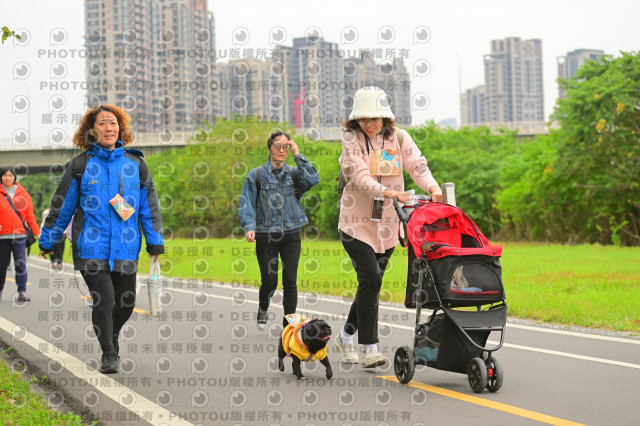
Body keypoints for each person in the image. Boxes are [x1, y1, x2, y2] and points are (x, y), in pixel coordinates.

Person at [38, 104, 164, 374]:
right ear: (91, 130)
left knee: (126, 302)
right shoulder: (80, 165)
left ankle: (111, 335)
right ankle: (109, 352)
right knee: (104, 299)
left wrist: (155, 241)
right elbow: (61, 206)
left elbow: (149, 207)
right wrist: (48, 240)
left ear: (121, 128)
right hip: (90, 246)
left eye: (113, 123)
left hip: (126, 247)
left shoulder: (135, 164)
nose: (109, 128)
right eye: (103, 123)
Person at [334, 86, 443, 368]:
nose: (368, 124)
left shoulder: (399, 137)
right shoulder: (352, 139)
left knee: (370, 284)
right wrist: (389, 192)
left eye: (373, 118)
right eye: (362, 119)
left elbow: (417, 166)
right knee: (371, 279)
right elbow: (359, 176)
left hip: (389, 226)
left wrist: (432, 187)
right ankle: (370, 349)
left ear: (385, 117)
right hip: (356, 224)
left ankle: (345, 337)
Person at [239, 131, 320, 330]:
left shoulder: (294, 173)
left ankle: (288, 327)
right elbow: (246, 203)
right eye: (278, 146)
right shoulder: (256, 175)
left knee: (290, 281)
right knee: (270, 282)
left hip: (291, 232)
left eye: (286, 147)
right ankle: (263, 307)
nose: (282, 150)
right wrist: (249, 227)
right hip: (265, 234)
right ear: (269, 148)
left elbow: (313, 179)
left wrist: (298, 155)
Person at [0, 167, 40, 302]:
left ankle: (22, 292)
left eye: (10, 175)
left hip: (19, 235)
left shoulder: (23, 194)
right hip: (2, 236)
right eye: (5, 175)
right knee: (1, 265)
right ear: (1, 177)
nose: (8, 178)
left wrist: (37, 232)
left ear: (14, 177)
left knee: (20, 264)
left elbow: (30, 216)